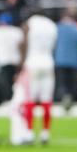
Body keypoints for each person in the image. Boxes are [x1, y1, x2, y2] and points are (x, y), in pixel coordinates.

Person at [18, 12, 58, 144]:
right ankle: (45, 133)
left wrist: (21, 64)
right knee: (46, 100)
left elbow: (24, 43)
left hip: (33, 63)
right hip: (48, 63)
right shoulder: (51, 25)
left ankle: (29, 133)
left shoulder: (30, 23)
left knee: (30, 100)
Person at [54, 11, 77, 112]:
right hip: (74, 62)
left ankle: (64, 99)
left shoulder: (57, 29)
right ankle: (69, 100)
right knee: (72, 84)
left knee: (62, 83)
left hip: (60, 61)